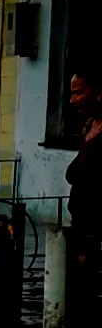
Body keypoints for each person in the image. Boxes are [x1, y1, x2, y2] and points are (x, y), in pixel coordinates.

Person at [65, 64, 102, 304]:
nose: (72, 100)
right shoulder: (89, 127)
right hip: (81, 226)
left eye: (78, 93)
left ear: (99, 94)